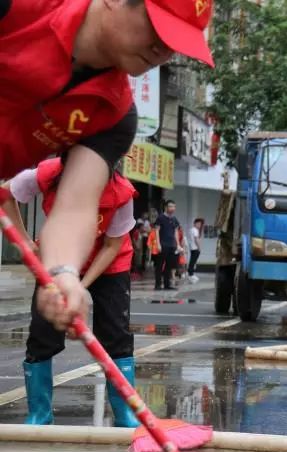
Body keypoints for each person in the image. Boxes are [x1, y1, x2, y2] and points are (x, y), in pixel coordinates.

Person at [0, 0, 214, 333]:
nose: (162, 51)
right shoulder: (19, 8)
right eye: (158, 29)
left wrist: (64, 273)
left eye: (174, 44)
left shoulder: (114, 115)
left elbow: (75, 206)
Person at [1, 158, 139, 427]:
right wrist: (26, 244)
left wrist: (80, 287)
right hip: (58, 260)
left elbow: (112, 246)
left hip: (108, 264)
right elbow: (6, 194)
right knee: (42, 332)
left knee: (115, 334)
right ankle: (40, 414)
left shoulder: (121, 192)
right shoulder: (49, 174)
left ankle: (125, 414)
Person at [153, 200, 181, 290]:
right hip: (162, 244)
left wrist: (178, 244)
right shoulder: (160, 218)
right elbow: (156, 231)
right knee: (159, 265)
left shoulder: (174, 219)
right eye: (170, 206)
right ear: (166, 207)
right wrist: (158, 244)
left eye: (174, 207)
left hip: (171, 245)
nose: (172, 208)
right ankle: (157, 285)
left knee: (169, 266)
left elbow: (176, 232)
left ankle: (167, 284)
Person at [188, 218, 204, 283]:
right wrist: (199, 247)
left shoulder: (191, 230)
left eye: (200, 224)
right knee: (193, 261)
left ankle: (191, 274)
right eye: (198, 224)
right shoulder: (195, 230)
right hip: (195, 248)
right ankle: (191, 275)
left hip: (192, 248)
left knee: (192, 261)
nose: (199, 225)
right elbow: (196, 239)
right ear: (195, 223)